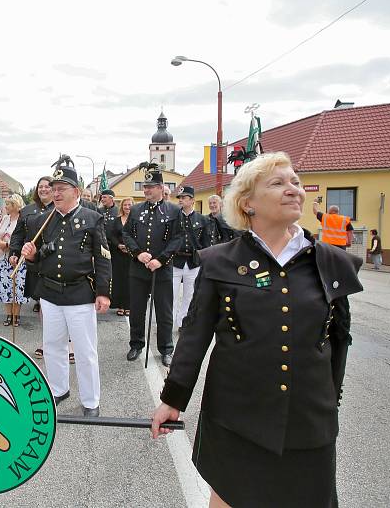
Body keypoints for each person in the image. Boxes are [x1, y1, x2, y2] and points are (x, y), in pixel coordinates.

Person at [151, 152, 363, 508]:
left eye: (295, 181)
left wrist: (329, 401)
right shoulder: (221, 260)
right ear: (247, 203)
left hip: (309, 421)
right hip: (237, 417)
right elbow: (195, 334)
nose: (293, 189)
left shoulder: (331, 262)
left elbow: (338, 339)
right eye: (278, 183)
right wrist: (173, 399)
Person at [21, 155, 111, 417]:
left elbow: (104, 258)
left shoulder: (92, 218)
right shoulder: (42, 221)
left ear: (77, 192)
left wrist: (103, 293)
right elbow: (38, 260)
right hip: (50, 294)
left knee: (85, 351)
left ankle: (91, 400)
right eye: (54, 188)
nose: (55, 193)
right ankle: (58, 389)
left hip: (80, 294)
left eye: (61, 189)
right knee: (52, 346)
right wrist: (32, 255)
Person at [122, 163, 181, 367]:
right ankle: (136, 344)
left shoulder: (173, 210)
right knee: (137, 310)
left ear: (161, 187)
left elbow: (178, 238)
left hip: (162, 270)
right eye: (145, 186)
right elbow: (126, 233)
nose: (146, 190)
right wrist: (138, 253)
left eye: (151, 186)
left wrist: (160, 259)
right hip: (138, 270)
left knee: (164, 312)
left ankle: (166, 349)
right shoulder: (136, 209)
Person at [10, 175, 55, 322]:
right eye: (40, 186)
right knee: (42, 300)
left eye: (47, 186)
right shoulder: (27, 210)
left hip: (53, 261)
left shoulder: (59, 208)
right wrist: (14, 252)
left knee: (51, 304)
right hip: (34, 263)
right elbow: (17, 235)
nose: (43, 189)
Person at [172, 186, 215, 328]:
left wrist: (204, 261)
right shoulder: (174, 217)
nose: (181, 200)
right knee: (171, 295)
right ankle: (168, 324)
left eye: (184, 198)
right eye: (180, 198)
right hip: (175, 261)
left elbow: (206, 243)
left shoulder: (202, 220)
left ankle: (182, 323)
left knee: (189, 296)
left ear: (192, 201)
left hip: (193, 262)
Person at [0, 194, 28, 326]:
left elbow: (24, 238)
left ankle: (16, 316)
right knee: (4, 287)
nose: (5, 206)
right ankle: (8, 315)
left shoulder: (23, 219)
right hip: (3, 259)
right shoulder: (5, 218)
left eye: (7, 204)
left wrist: (8, 245)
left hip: (17, 259)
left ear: (15, 205)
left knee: (17, 288)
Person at [110, 197, 133, 316]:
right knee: (119, 279)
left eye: (129, 205)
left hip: (132, 255)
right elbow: (112, 235)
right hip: (118, 254)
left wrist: (130, 247)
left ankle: (128, 306)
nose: (127, 207)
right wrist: (118, 245)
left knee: (130, 279)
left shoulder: (136, 220)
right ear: (122, 207)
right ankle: (120, 306)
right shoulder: (116, 220)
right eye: (125, 205)